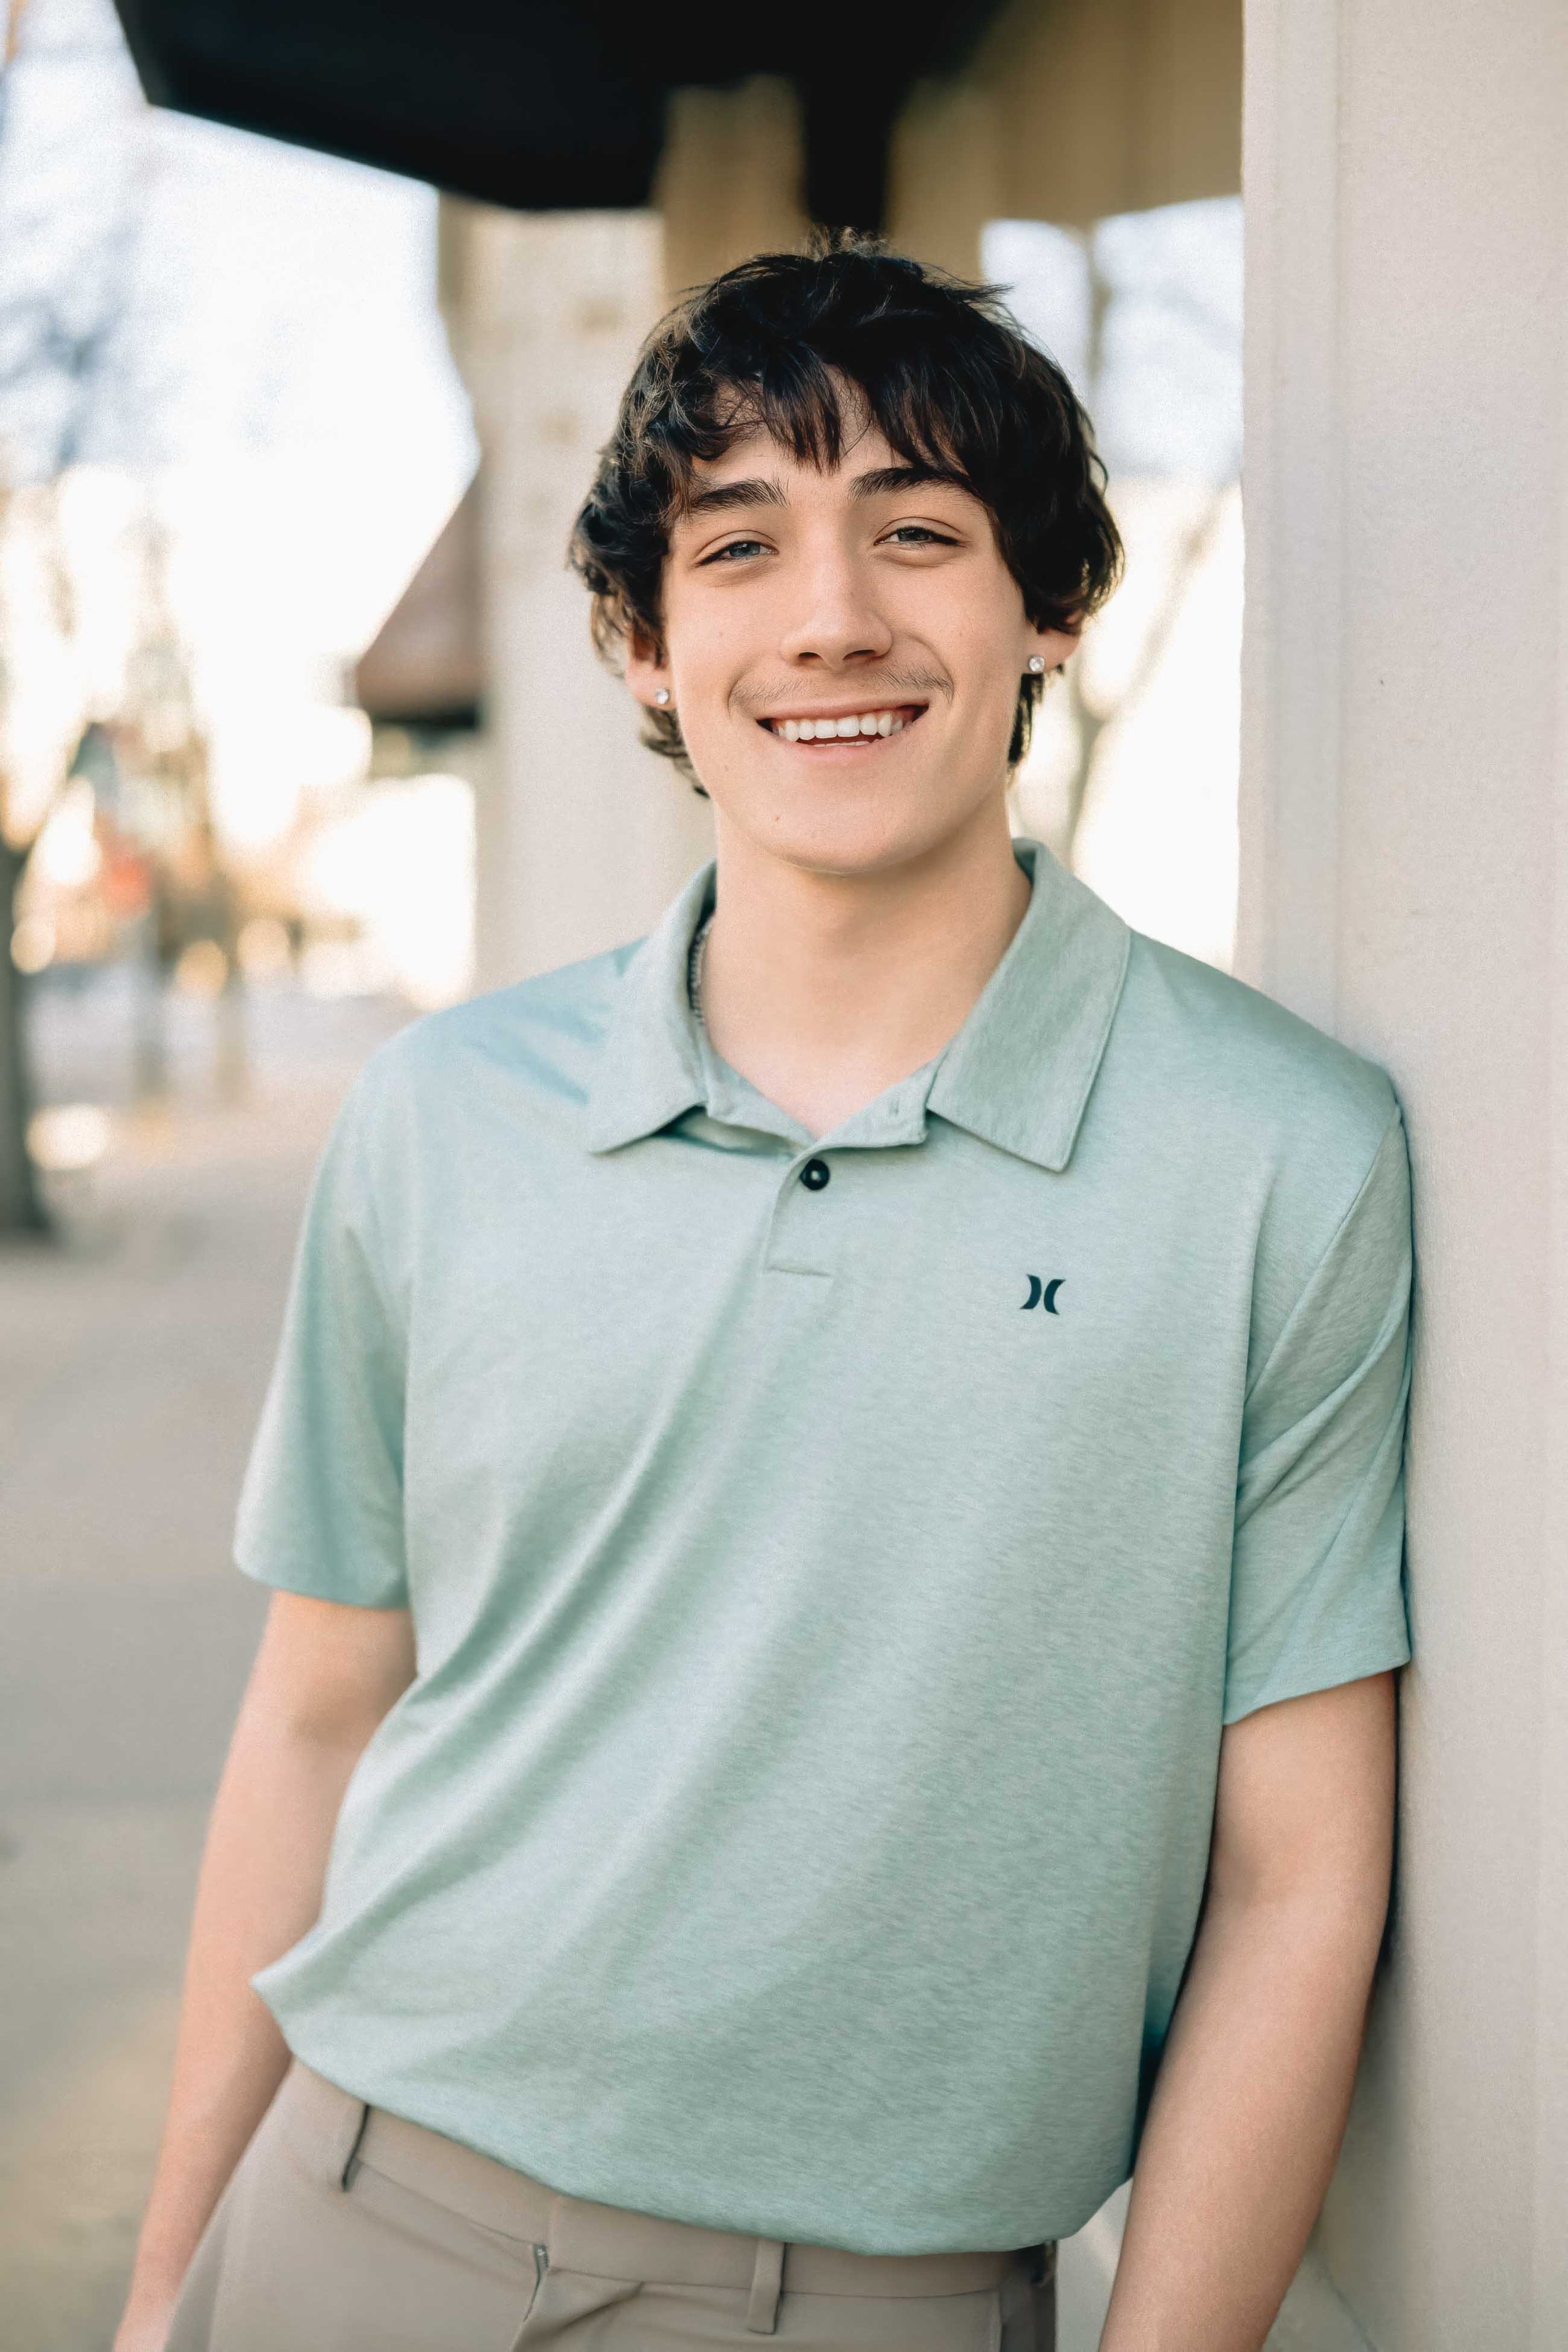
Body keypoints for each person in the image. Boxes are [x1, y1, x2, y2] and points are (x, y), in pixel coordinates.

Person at [117, 236, 1412, 2352]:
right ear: (641, 641)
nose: (832, 618)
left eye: (917, 531)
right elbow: (319, 1715)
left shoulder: (1279, 1156)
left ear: (1047, 609)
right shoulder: (441, 1114)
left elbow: (1296, 1881)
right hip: (350, 2218)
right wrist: (171, 2277)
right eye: (739, 548)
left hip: (877, 2300)